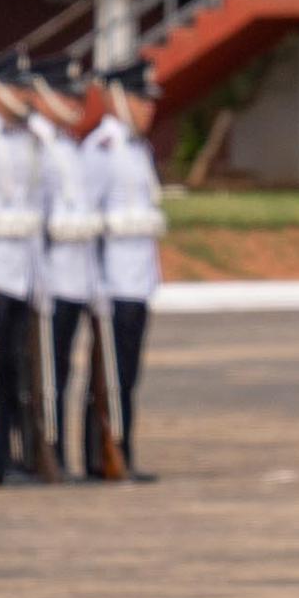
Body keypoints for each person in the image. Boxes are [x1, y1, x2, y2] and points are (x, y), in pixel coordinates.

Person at [0, 55, 52, 480]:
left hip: (21, 269)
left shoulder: (29, 140)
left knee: (20, 370)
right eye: (17, 88)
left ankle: (21, 453)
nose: (24, 97)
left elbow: (35, 209)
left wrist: (40, 273)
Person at [88, 56, 167, 480]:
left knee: (128, 375)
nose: (148, 108)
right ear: (117, 99)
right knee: (108, 378)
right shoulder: (102, 150)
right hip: (113, 282)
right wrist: (95, 282)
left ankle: (121, 449)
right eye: (140, 99)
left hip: (136, 281)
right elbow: (91, 222)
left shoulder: (138, 150)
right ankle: (103, 452)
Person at [41, 55, 108, 477]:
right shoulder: (41, 148)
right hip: (49, 278)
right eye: (66, 95)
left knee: (77, 374)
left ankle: (74, 455)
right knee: (51, 377)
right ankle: (50, 454)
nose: (75, 103)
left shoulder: (73, 148)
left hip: (79, 275)